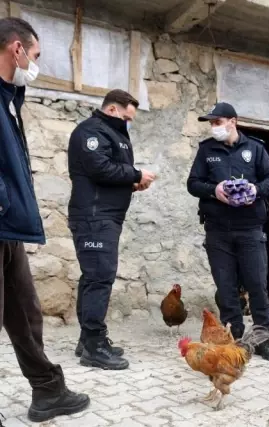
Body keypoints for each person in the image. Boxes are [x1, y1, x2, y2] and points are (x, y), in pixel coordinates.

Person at [0, 17, 90, 422]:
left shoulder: (8, 97)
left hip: (7, 228)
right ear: (16, 49)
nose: (34, 65)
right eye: (34, 55)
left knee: (25, 310)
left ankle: (48, 391)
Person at [67, 89, 155, 370]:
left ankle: (87, 339)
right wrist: (136, 174)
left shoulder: (112, 133)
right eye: (127, 117)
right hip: (94, 218)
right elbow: (99, 168)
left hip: (105, 216)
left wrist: (131, 184)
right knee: (99, 277)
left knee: (92, 277)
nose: (128, 123)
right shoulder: (91, 132)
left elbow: (108, 175)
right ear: (114, 110)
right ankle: (94, 347)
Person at [187, 102, 269, 361]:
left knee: (257, 285)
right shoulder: (206, 151)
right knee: (226, 288)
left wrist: (255, 190)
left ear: (233, 122)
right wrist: (213, 190)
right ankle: (234, 337)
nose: (214, 127)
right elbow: (193, 183)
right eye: (212, 123)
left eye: (218, 122)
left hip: (250, 228)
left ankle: (263, 338)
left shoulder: (256, 148)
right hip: (218, 230)